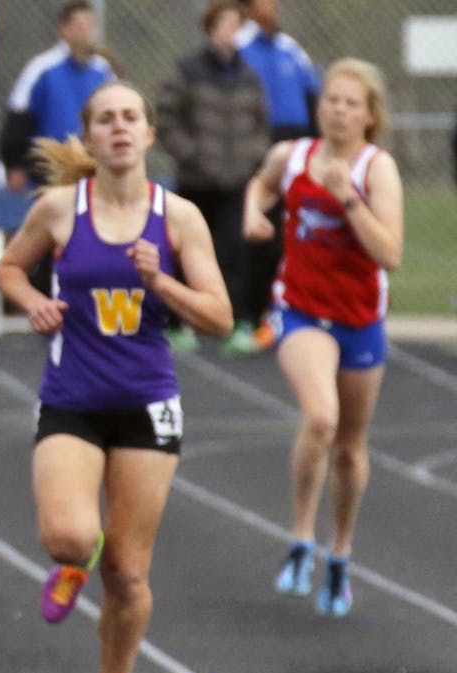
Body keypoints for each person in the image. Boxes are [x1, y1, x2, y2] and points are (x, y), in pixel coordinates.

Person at [0, 81, 233, 673]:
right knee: (70, 536)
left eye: (131, 117)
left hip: (147, 406)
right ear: (90, 139)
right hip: (72, 399)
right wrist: (31, 301)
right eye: (106, 119)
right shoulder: (61, 209)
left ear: (150, 134)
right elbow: (8, 268)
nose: (120, 128)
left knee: (127, 573)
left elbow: (220, 316)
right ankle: (73, 563)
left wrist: (162, 282)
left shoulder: (178, 218)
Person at [243, 58, 403, 619]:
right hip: (301, 310)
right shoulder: (294, 157)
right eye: (330, 100)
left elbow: (390, 254)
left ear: (369, 115)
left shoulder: (375, 169)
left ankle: (341, 550)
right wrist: (252, 215)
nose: (337, 110)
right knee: (320, 419)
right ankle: (301, 538)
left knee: (351, 449)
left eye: (349, 103)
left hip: (359, 317)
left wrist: (348, 199)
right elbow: (260, 185)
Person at [155, 0, 266, 357]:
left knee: (233, 253)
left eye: (236, 24)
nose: (230, 31)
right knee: (182, 252)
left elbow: (260, 124)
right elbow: (166, 118)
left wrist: (250, 159)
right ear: (210, 27)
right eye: (224, 24)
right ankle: (175, 325)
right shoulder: (188, 70)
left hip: (235, 180)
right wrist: (192, 155)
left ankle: (233, 325)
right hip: (196, 180)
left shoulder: (248, 74)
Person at [234, 0, 319, 352]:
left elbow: (313, 97)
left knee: (295, 233)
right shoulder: (238, 46)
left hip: (295, 147)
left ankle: (285, 312)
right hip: (256, 149)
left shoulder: (291, 49)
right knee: (257, 236)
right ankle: (249, 317)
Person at [0, 1, 114, 192]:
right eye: (78, 25)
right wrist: (15, 164)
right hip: (49, 173)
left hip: (94, 171)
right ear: (64, 29)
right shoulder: (42, 68)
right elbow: (18, 117)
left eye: (88, 25)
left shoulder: (104, 71)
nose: (84, 31)